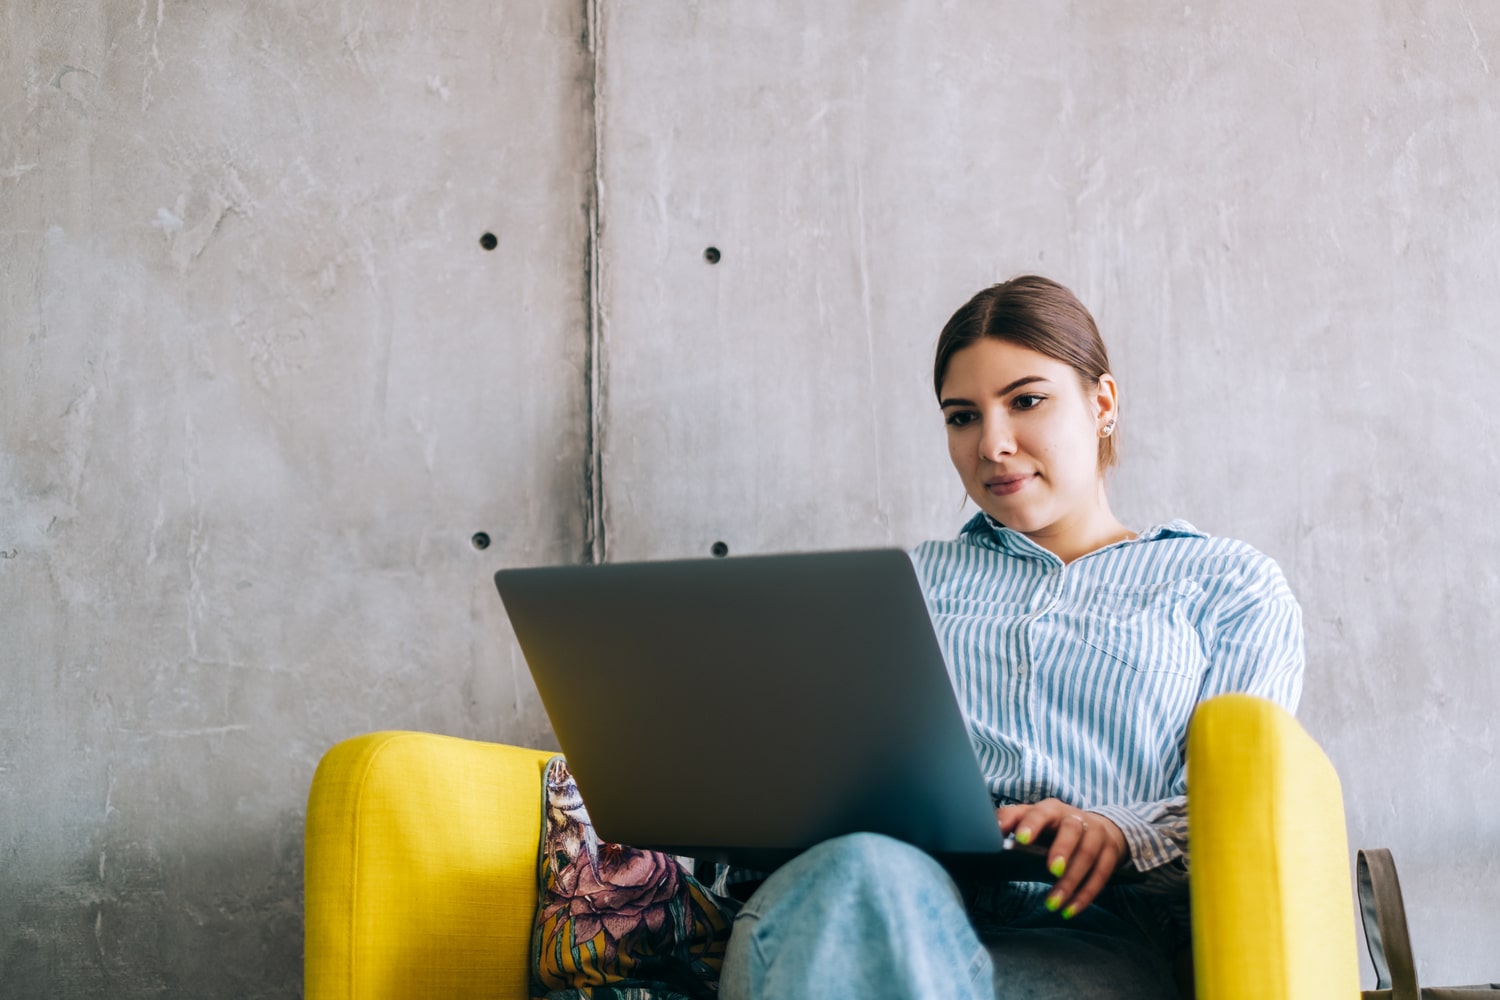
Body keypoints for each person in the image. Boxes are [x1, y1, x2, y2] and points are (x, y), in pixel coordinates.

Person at [716, 275, 1304, 1000]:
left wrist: (1115, 829)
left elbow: (1238, 801)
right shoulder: (902, 584)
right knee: (863, 877)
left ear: (1103, 404)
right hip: (853, 901)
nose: (992, 444)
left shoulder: (1227, 584)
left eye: (1026, 401)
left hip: (1078, 930)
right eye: (962, 417)